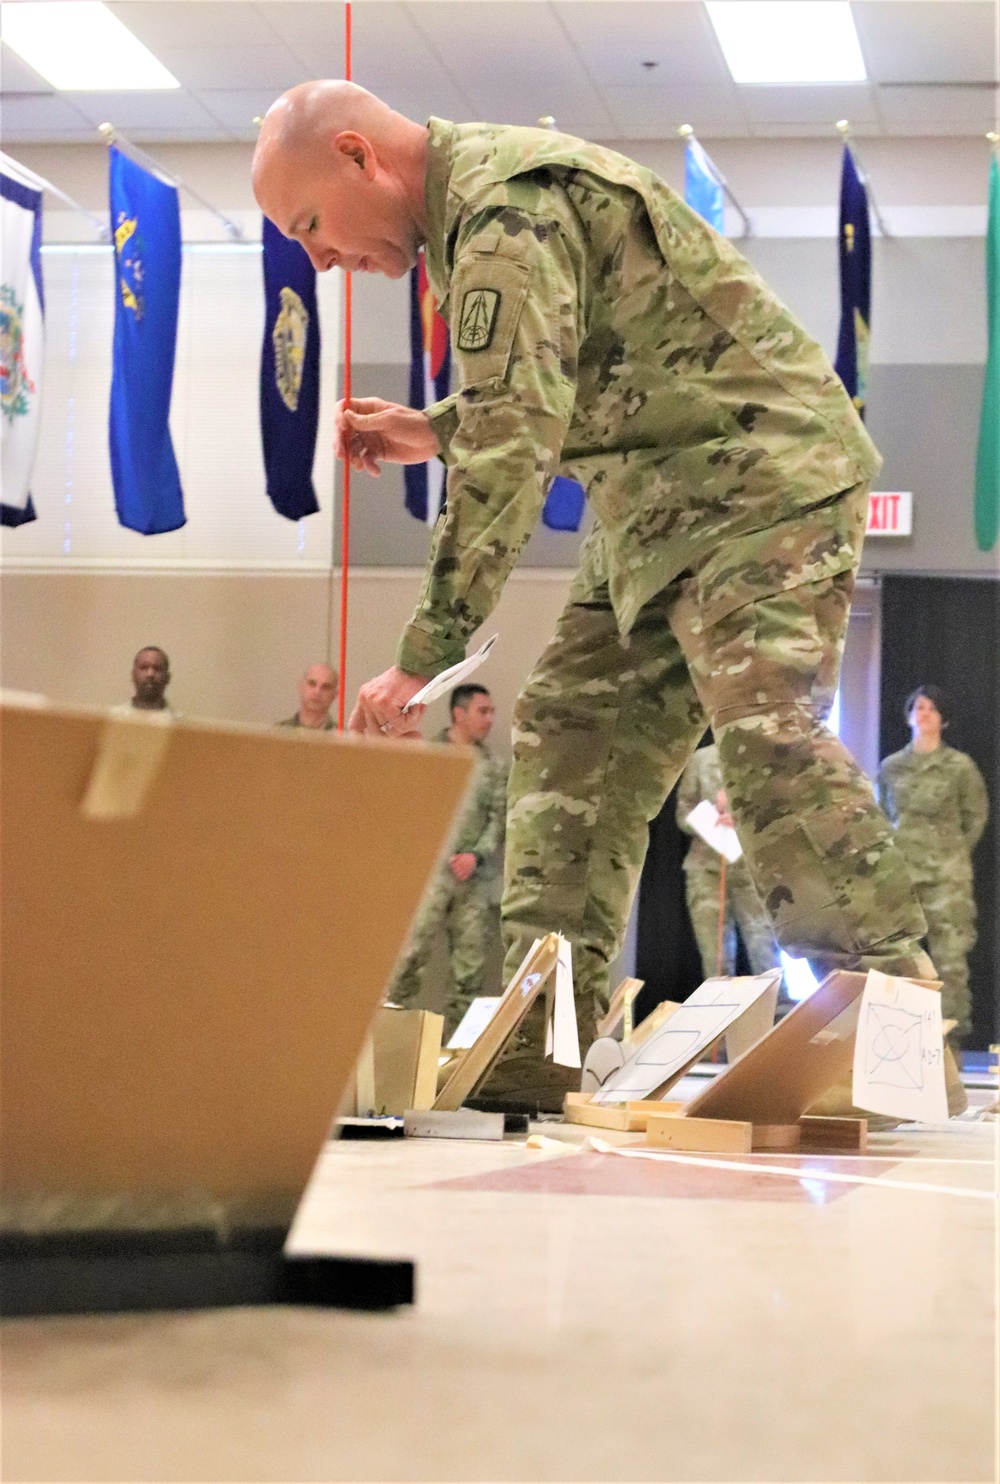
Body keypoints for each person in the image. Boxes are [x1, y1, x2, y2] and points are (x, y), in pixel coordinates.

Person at [253, 82, 934, 1109]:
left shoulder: (502, 211)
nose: (318, 258)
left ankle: (892, 1022)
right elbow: (559, 380)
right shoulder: (482, 215)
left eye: (309, 225)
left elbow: (510, 449)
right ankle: (541, 1039)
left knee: (764, 735)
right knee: (570, 734)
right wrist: (434, 426)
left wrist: (424, 649)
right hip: (655, 503)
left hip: (760, 479)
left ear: (358, 155)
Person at [388, 684, 507, 1035]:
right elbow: (411, 816)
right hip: (428, 879)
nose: (490, 719)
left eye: (491, 711)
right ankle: (391, 1046)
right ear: (459, 714)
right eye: (482, 711)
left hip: (474, 884)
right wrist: (443, 854)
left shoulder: (494, 766)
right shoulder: (428, 756)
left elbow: (498, 820)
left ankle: (453, 1061)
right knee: (406, 963)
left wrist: (475, 856)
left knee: (469, 974)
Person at [877, 686, 989, 1055]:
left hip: (947, 878)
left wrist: (949, 852)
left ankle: (949, 1047)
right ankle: (901, 1046)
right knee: (900, 963)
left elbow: (975, 818)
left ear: (944, 718)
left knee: (950, 963)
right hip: (902, 874)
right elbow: (882, 815)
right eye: (917, 708)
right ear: (908, 716)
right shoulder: (891, 767)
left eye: (931, 708)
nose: (923, 714)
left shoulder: (959, 766)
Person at [676, 741, 781, 982]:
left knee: (764, 948)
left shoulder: (763, 758)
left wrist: (742, 816)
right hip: (707, 868)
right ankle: (721, 1014)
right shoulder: (701, 759)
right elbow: (683, 812)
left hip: (753, 870)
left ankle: (778, 1013)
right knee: (715, 957)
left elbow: (777, 810)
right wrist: (710, 818)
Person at [277, 662, 339, 731]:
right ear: (301, 686)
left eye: (326, 687)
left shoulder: (343, 738)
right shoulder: (276, 735)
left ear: (335, 695)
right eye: (312, 684)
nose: (317, 692)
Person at [126, 647, 172, 713]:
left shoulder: (181, 722)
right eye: (144, 668)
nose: (150, 674)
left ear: (168, 677)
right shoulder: (111, 720)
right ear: (133, 675)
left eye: (157, 668)